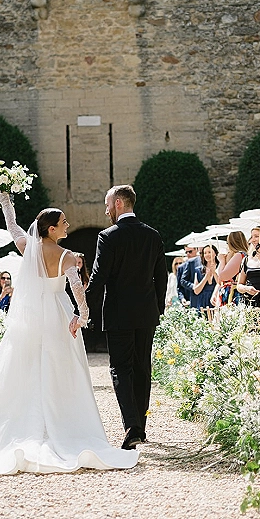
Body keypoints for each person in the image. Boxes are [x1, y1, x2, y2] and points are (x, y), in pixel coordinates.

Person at [0, 193, 138, 477]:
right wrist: (82, 317)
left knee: (28, 366)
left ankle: (28, 424)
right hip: (58, 315)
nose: (67, 224)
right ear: (51, 229)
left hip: (33, 316)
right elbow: (77, 291)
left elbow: (14, 229)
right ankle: (61, 425)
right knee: (61, 370)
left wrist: (6, 203)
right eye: (63, 222)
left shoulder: (29, 248)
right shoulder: (67, 257)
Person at [85, 185, 167, 450]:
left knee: (121, 368)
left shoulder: (108, 237)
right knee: (143, 367)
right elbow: (161, 278)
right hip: (146, 313)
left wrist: (83, 308)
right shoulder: (152, 235)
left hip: (119, 313)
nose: (106, 209)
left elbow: (98, 278)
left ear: (119, 203)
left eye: (108, 204)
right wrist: (158, 308)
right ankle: (140, 429)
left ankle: (132, 426)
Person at [217, 231, 248, 306]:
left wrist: (222, 261)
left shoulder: (239, 255)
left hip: (234, 295)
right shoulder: (242, 255)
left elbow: (223, 276)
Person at [190, 244, 220, 310]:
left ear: (215, 253)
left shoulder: (220, 267)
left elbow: (220, 283)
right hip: (202, 302)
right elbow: (196, 291)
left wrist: (214, 272)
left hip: (216, 300)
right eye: (205, 253)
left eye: (209, 252)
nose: (207, 255)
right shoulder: (198, 270)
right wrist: (206, 277)